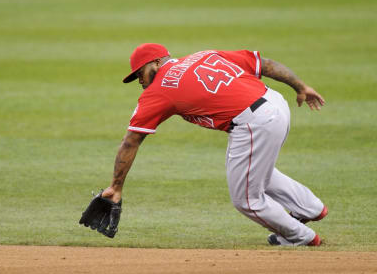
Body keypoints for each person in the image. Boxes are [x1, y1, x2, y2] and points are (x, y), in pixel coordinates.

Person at [101, 43, 327, 246]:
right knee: (253, 173)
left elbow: (131, 141)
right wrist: (301, 87)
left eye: (140, 73)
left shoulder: (159, 89)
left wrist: (116, 185)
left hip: (254, 122)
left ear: (157, 62)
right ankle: (310, 207)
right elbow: (265, 65)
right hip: (275, 103)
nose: (140, 81)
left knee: (246, 200)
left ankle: (301, 237)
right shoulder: (204, 55)